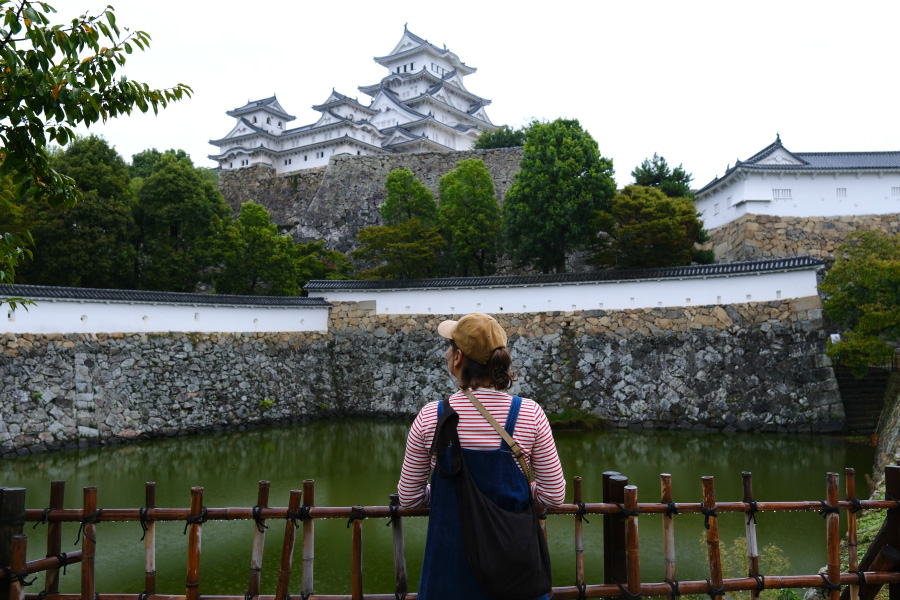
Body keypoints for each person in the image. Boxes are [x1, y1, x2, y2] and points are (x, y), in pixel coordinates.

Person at [398, 312, 566, 600]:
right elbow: (553, 496)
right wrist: (519, 492)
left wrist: (448, 492)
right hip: (514, 576)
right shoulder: (530, 414)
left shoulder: (431, 417)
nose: (448, 353)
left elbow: (409, 498)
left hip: (449, 576)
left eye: (450, 347)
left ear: (459, 357)